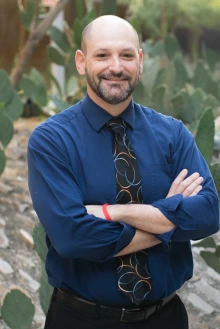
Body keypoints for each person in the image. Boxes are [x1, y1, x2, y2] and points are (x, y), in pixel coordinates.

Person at [27, 15, 219, 329]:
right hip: (82, 319)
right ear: (81, 61)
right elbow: (73, 238)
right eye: (102, 55)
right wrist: (170, 218)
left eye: (127, 55)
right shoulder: (52, 141)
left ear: (140, 62)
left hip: (166, 319)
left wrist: (112, 211)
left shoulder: (173, 134)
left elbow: (208, 215)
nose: (116, 66)